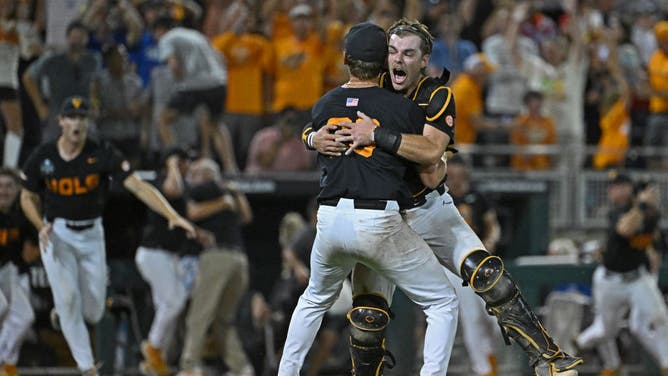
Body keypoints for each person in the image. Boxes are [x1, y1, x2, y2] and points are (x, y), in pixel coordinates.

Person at [312, 18, 582, 376]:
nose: (398, 60)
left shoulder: (435, 94)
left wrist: (379, 136)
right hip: (382, 214)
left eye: (409, 53)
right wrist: (310, 138)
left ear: (424, 61)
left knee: (487, 274)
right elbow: (322, 116)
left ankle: (550, 358)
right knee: (367, 315)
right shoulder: (368, 88)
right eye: (392, 51)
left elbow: (430, 152)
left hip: (426, 207)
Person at [278, 22, 459, 376]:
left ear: (346, 58)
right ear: (384, 63)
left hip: (328, 221)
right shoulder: (401, 109)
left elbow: (312, 129)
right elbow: (427, 162)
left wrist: (312, 139)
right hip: (377, 220)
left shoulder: (323, 103)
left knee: (313, 300)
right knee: (442, 302)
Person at [19, 96, 196, 376]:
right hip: (57, 232)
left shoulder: (101, 152)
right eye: (72, 117)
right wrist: (39, 224)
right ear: (61, 122)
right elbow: (26, 195)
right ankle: (88, 368)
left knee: (94, 312)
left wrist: (171, 214)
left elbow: (137, 186)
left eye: (82, 117)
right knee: (68, 300)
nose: (77, 123)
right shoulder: (44, 156)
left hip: (91, 235)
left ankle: (66, 315)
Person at [575, 172, 668, 375]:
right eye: (647, 193)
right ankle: (576, 344)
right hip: (611, 280)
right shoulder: (620, 211)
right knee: (606, 330)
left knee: (659, 318)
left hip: (636, 278)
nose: (653, 196)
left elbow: (654, 245)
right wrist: (642, 206)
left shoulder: (653, 216)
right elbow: (626, 229)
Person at [178, 158, 254, 376]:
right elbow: (247, 217)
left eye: (197, 172)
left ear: (207, 174)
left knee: (198, 315)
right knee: (223, 320)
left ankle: (190, 366)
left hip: (217, 256)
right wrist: (230, 197)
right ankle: (242, 368)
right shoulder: (228, 190)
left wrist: (224, 200)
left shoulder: (206, 187)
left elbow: (192, 213)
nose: (193, 176)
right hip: (240, 260)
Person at [134, 147, 192, 376]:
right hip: (154, 253)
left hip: (166, 256)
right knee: (174, 302)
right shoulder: (162, 180)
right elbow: (173, 189)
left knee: (167, 307)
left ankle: (153, 363)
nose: (188, 166)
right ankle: (153, 347)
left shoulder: (178, 182)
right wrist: (172, 164)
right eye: (185, 161)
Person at [445, 156, 501, 376]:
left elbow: (493, 226)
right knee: (472, 318)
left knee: (496, 318)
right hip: (454, 266)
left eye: (459, 175)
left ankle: (488, 357)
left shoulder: (477, 196)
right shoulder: (441, 197)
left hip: (480, 262)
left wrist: (490, 243)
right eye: (452, 176)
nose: (456, 180)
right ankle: (484, 370)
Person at [0, 168, 37, 376]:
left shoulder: (22, 213)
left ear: (17, 190)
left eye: (9, 186)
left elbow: (32, 249)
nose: (4, 191)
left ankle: (8, 364)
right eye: (0, 186)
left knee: (25, 316)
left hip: (12, 272)